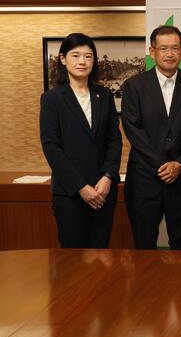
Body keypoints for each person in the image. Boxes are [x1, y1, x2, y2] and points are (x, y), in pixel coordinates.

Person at [122, 25, 181, 250]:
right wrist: (162, 165)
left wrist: (180, 163)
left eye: (175, 48)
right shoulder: (134, 86)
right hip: (145, 181)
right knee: (143, 246)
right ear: (152, 51)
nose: (170, 54)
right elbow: (133, 131)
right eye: (164, 48)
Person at [39, 33, 122, 248]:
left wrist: (107, 177)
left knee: (101, 255)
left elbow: (115, 140)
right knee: (72, 261)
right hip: (70, 194)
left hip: (103, 191)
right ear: (63, 59)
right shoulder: (52, 99)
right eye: (75, 55)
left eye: (88, 56)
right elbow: (51, 147)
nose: (82, 61)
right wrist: (81, 187)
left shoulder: (103, 95)